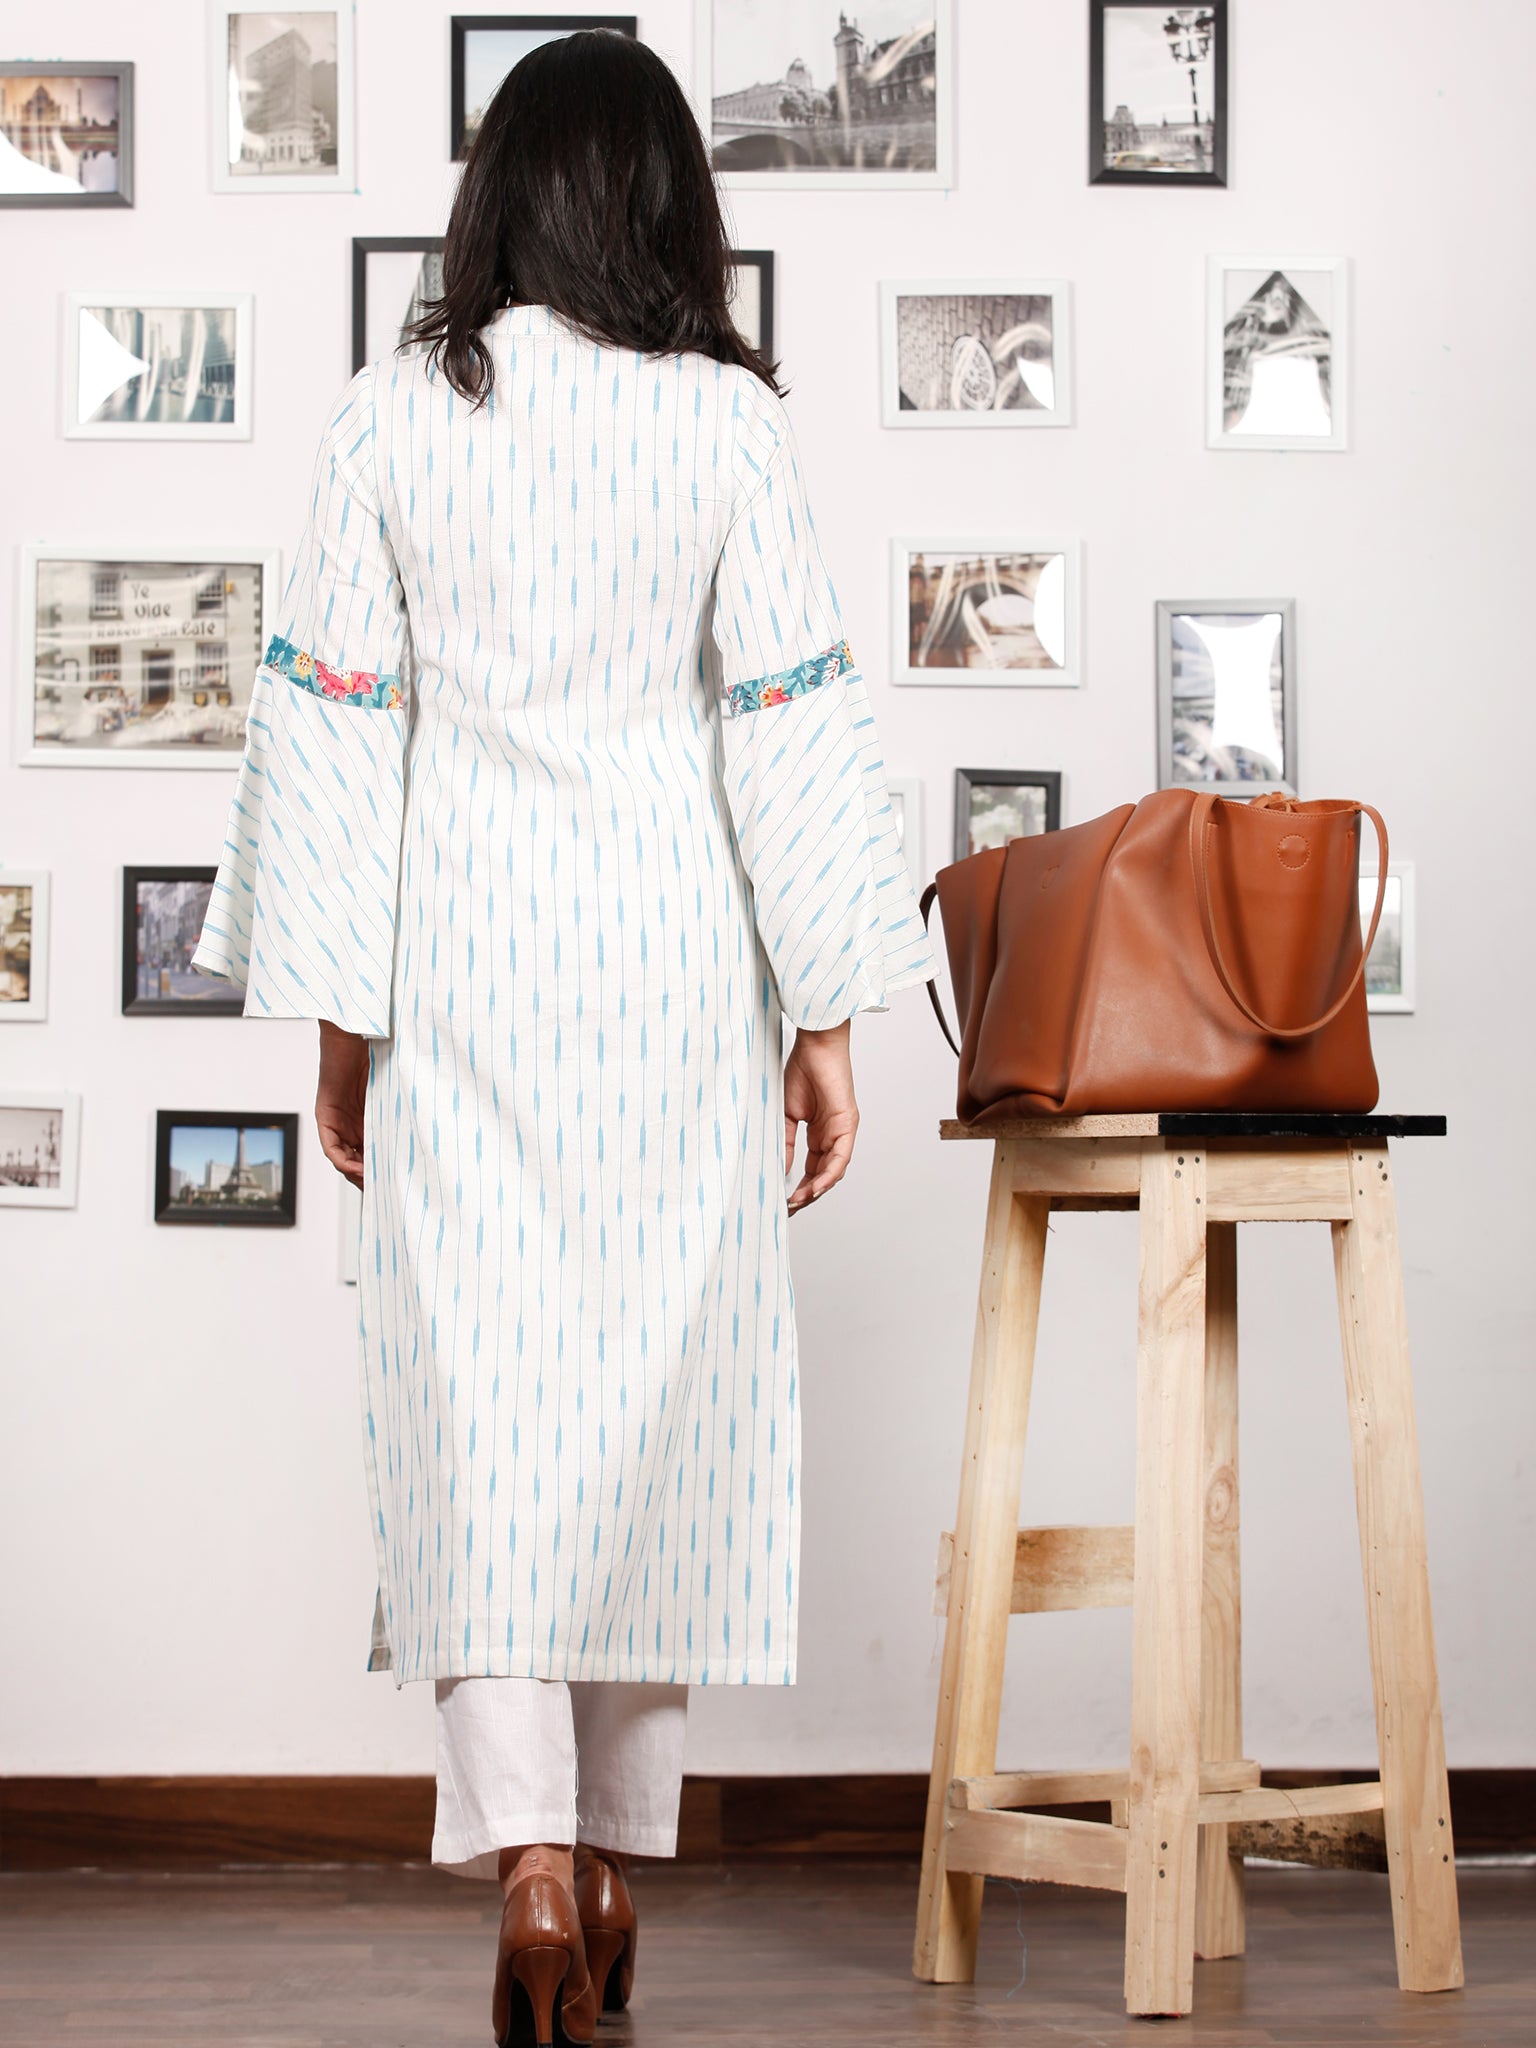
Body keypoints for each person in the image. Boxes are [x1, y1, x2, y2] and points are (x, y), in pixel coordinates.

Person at [192, 28, 934, 2048]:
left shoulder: (387, 422)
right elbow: (790, 716)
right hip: (679, 983)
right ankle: (608, 1858)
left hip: (462, 976)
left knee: (481, 1435)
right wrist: (827, 1015)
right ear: (675, 206)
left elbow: (332, 737)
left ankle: (527, 1862)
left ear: (496, 196)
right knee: (651, 1434)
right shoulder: (727, 427)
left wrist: (338, 1027)